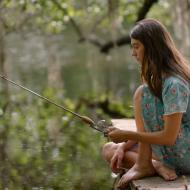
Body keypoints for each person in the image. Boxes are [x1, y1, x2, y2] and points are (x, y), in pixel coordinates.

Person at [102, 18, 190, 189]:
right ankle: (153, 165)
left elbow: (169, 137)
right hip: (174, 152)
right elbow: (153, 130)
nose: (133, 53)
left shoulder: (174, 85)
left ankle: (146, 164)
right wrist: (124, 143)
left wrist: (129, 135)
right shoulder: (159, 81)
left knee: (141, 93)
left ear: (152, 48)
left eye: (136, 46)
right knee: (110, 149)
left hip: (185, 153)